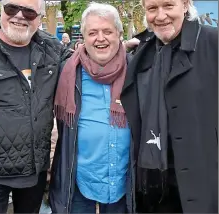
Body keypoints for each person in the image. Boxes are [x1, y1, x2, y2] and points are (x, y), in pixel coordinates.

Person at [0, 0, 71, 213]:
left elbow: (82, 62)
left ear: (40, 18)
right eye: (12, 8)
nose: (19, 15)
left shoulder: (52, 49)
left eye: (29, 11)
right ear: (1, 10)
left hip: (34, 172)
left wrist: (120, 51)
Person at [121, 0, 218, 213]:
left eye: (168, 5)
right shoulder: (142, 54)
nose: (160, 15)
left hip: (205, 186)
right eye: (152, 9)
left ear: (185, 5)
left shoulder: (213, 43)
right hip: (155, 187)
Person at [49, 2, 138, 213]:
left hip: (124, 179)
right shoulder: (67, 72)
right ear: (83, 37)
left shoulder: (138, 69)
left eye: (107, 31)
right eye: (93, 32)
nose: (100, 38)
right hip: (79, 179)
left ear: (119, 34)